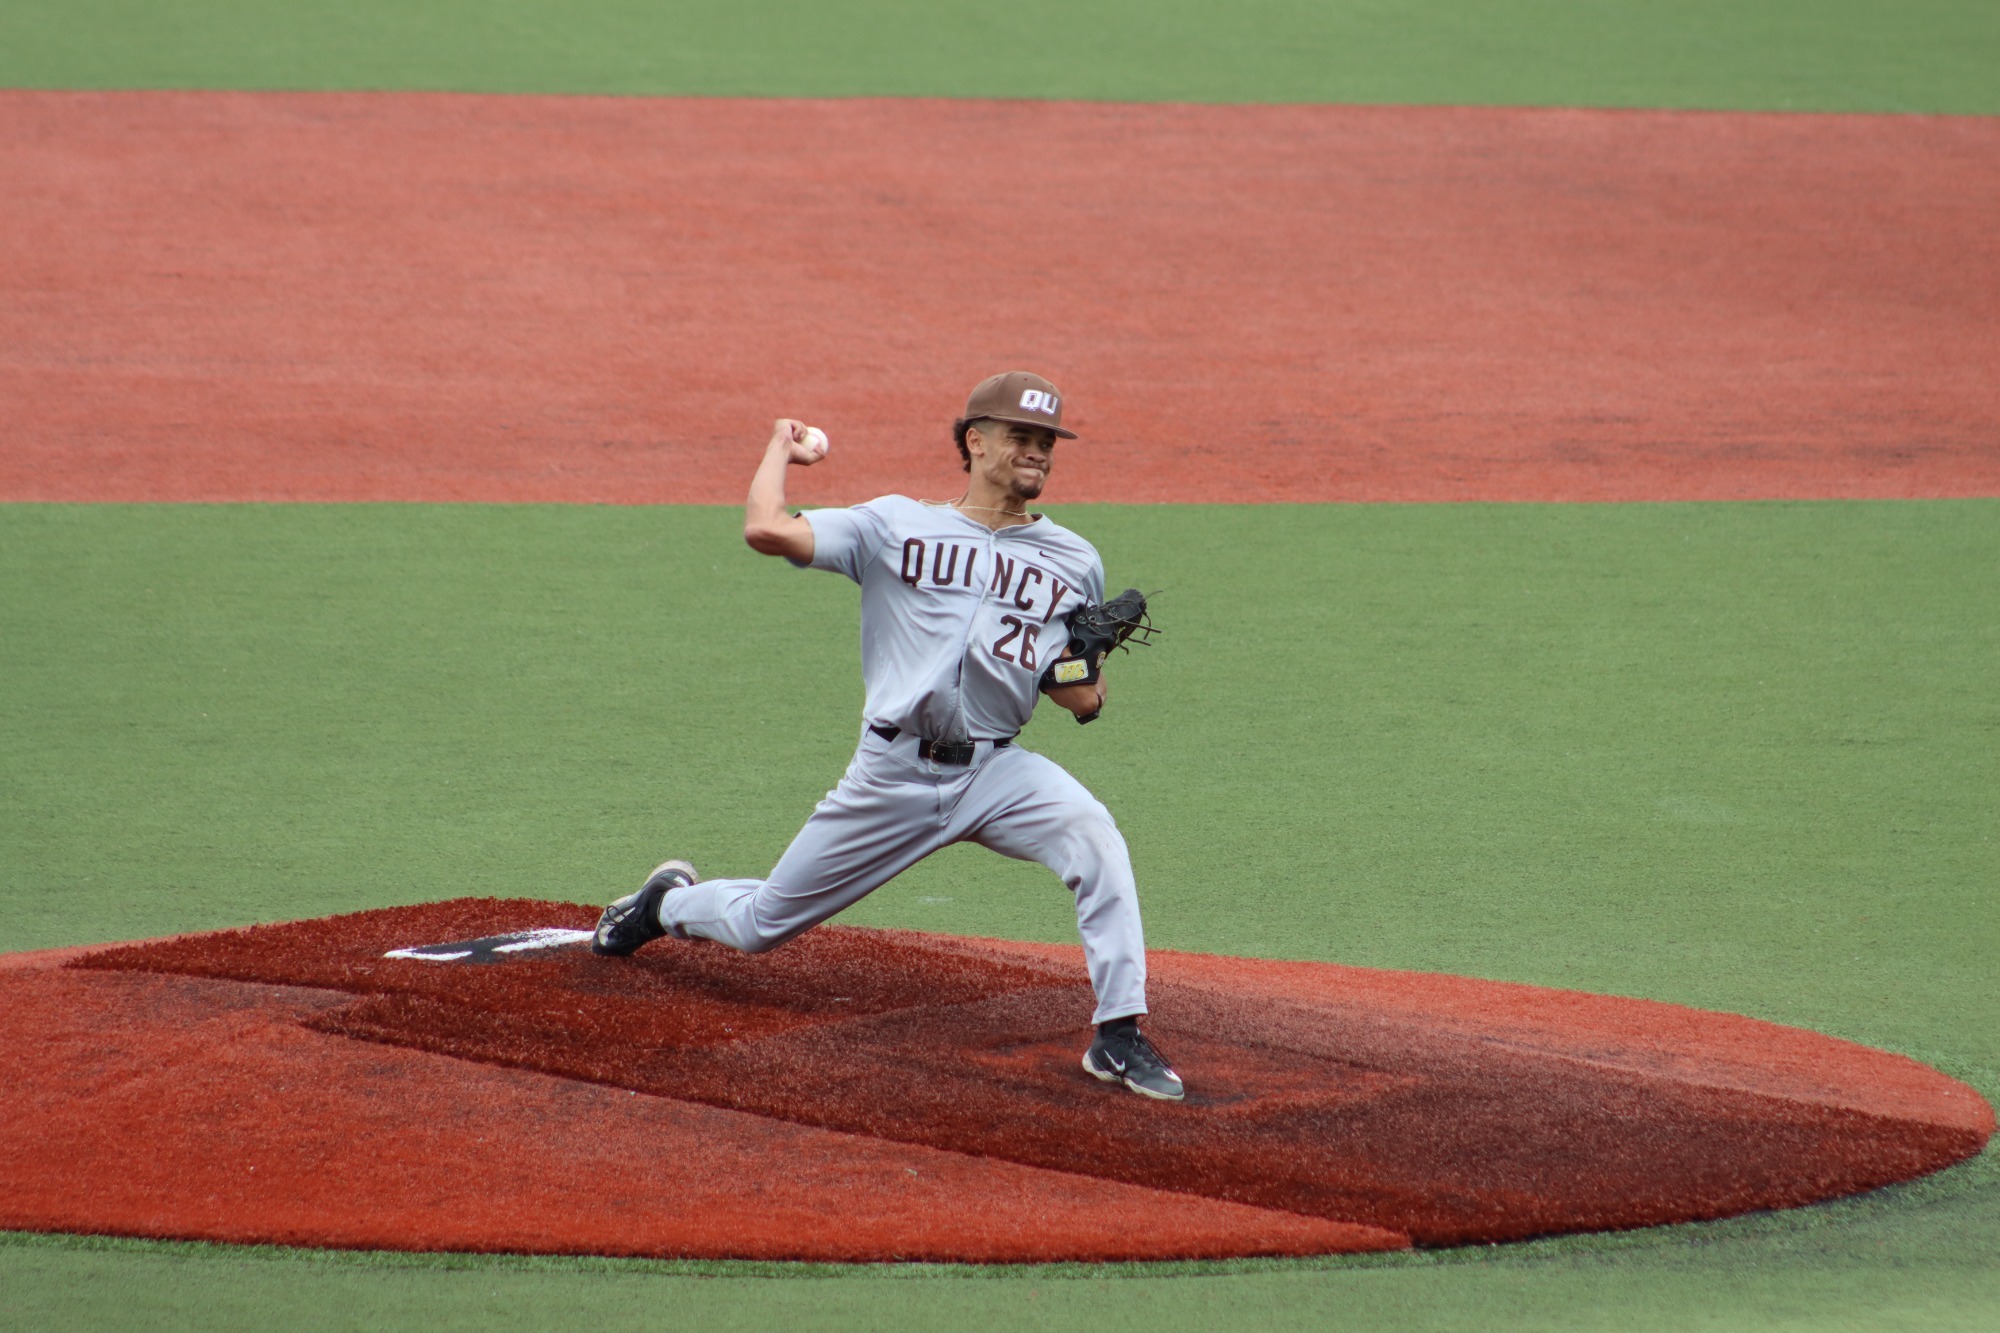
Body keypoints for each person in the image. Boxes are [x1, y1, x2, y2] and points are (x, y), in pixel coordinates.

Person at [592, 371, 1183, 1101]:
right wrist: (781, 446)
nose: (1038, 452)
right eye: (1022, 438)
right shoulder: (894, 526)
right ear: (976, 442)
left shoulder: (1074, 560)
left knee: (1094, 834)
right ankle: (664, 904)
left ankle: (1118, 1032)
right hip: (893, 774)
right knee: (760, 924)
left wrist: (1086, 659)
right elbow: (766, 528)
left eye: (1047, 441)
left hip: (998, 774)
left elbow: (1077, 698)